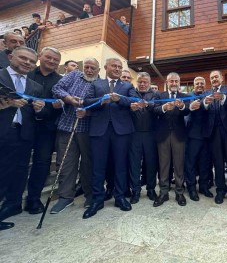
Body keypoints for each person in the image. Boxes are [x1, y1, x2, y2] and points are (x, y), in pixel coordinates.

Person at [82, 58, 135, 219]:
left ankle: (119, 197)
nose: (118, 69)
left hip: (121, 131)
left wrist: (120, 99)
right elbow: (86, 101)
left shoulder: (127, 85)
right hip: (99, 131)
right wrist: (101, 100)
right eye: (114, 66)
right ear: (106, 68)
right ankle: (97, 199)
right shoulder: (96, 84)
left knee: (120, 165)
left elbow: (134, 100)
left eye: (120, 67)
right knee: (98, 166)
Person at [0, 46, 45, 230]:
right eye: (23, 58)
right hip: (2, 130)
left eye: (32, 61)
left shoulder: (36, 87)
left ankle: (13, 204)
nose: (27, 63)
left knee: (19, 171)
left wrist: (39, 110)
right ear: (11, 57)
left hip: (23, 134)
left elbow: (38, 116)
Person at [50, 57, 100, 214]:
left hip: (87, 129)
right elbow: (56, 88)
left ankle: (90, 194)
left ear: (98, 70)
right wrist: (69, 98)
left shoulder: (100, 83)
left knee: (88, 164)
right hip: (66, 126)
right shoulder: (73, 75)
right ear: (83, 67)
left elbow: (101, 107)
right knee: (65, 163)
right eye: (87, 67)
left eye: (93, 68)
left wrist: (88, 111)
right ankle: (65, 197)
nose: (89, 70)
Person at [24, 47, 63, 214]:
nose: (52, 61)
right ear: (40, 57)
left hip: (47, 128)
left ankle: (33, 199)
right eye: (49, 57)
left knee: (42, 163)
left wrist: (60, 104)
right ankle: (12, 199)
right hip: (24, 125)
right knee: (18, 162)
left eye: (56, 60)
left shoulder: (61, 81)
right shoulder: (27, 74)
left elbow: (62, 104)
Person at [202, 70, 227, 205]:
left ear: (222, 78)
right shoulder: (206, 92)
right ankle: (220, 190)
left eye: (216, 77)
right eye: (211, 78)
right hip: (213, 132)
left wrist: (222, 97)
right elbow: (202, 107)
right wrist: (205, 103)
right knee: (218, 163)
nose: (214, 79)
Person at [153, 72, 190, 207]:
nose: (174, 83)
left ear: (179, 83)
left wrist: (181, 106)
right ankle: (163, 192)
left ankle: (179, 192)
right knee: (163, 165)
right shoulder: (159, 95)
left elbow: (187, 111)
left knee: (179, 164)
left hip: (179, 135)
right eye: (171, 81)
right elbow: (154, 109)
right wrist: (164, 107)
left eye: (176, 81)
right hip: (162, 135)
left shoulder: (184, 96)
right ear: (167, 82)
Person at [129, 72, 159, 203]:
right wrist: (131, 108)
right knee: (134, 164)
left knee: (151, 163)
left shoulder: (156, 94)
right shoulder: (130, 93)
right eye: (140, 81)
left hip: (150, 134)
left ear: (149, 82)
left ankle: (151, 189)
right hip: (134, 134)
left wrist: (148, 104)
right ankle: (135, 191)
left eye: (145, 82)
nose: (142, 84)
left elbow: (158, 109)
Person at [184, 77, 213, 201]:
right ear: (193, 85)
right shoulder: (188, 96)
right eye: (197, 83)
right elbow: (188, 109)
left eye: (202, 83)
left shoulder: (209, 94)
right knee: (190, 163)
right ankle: (191, 188)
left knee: (205, 163)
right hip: (193, 135)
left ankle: (203, 186)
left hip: (207, 135)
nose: (200, 85)